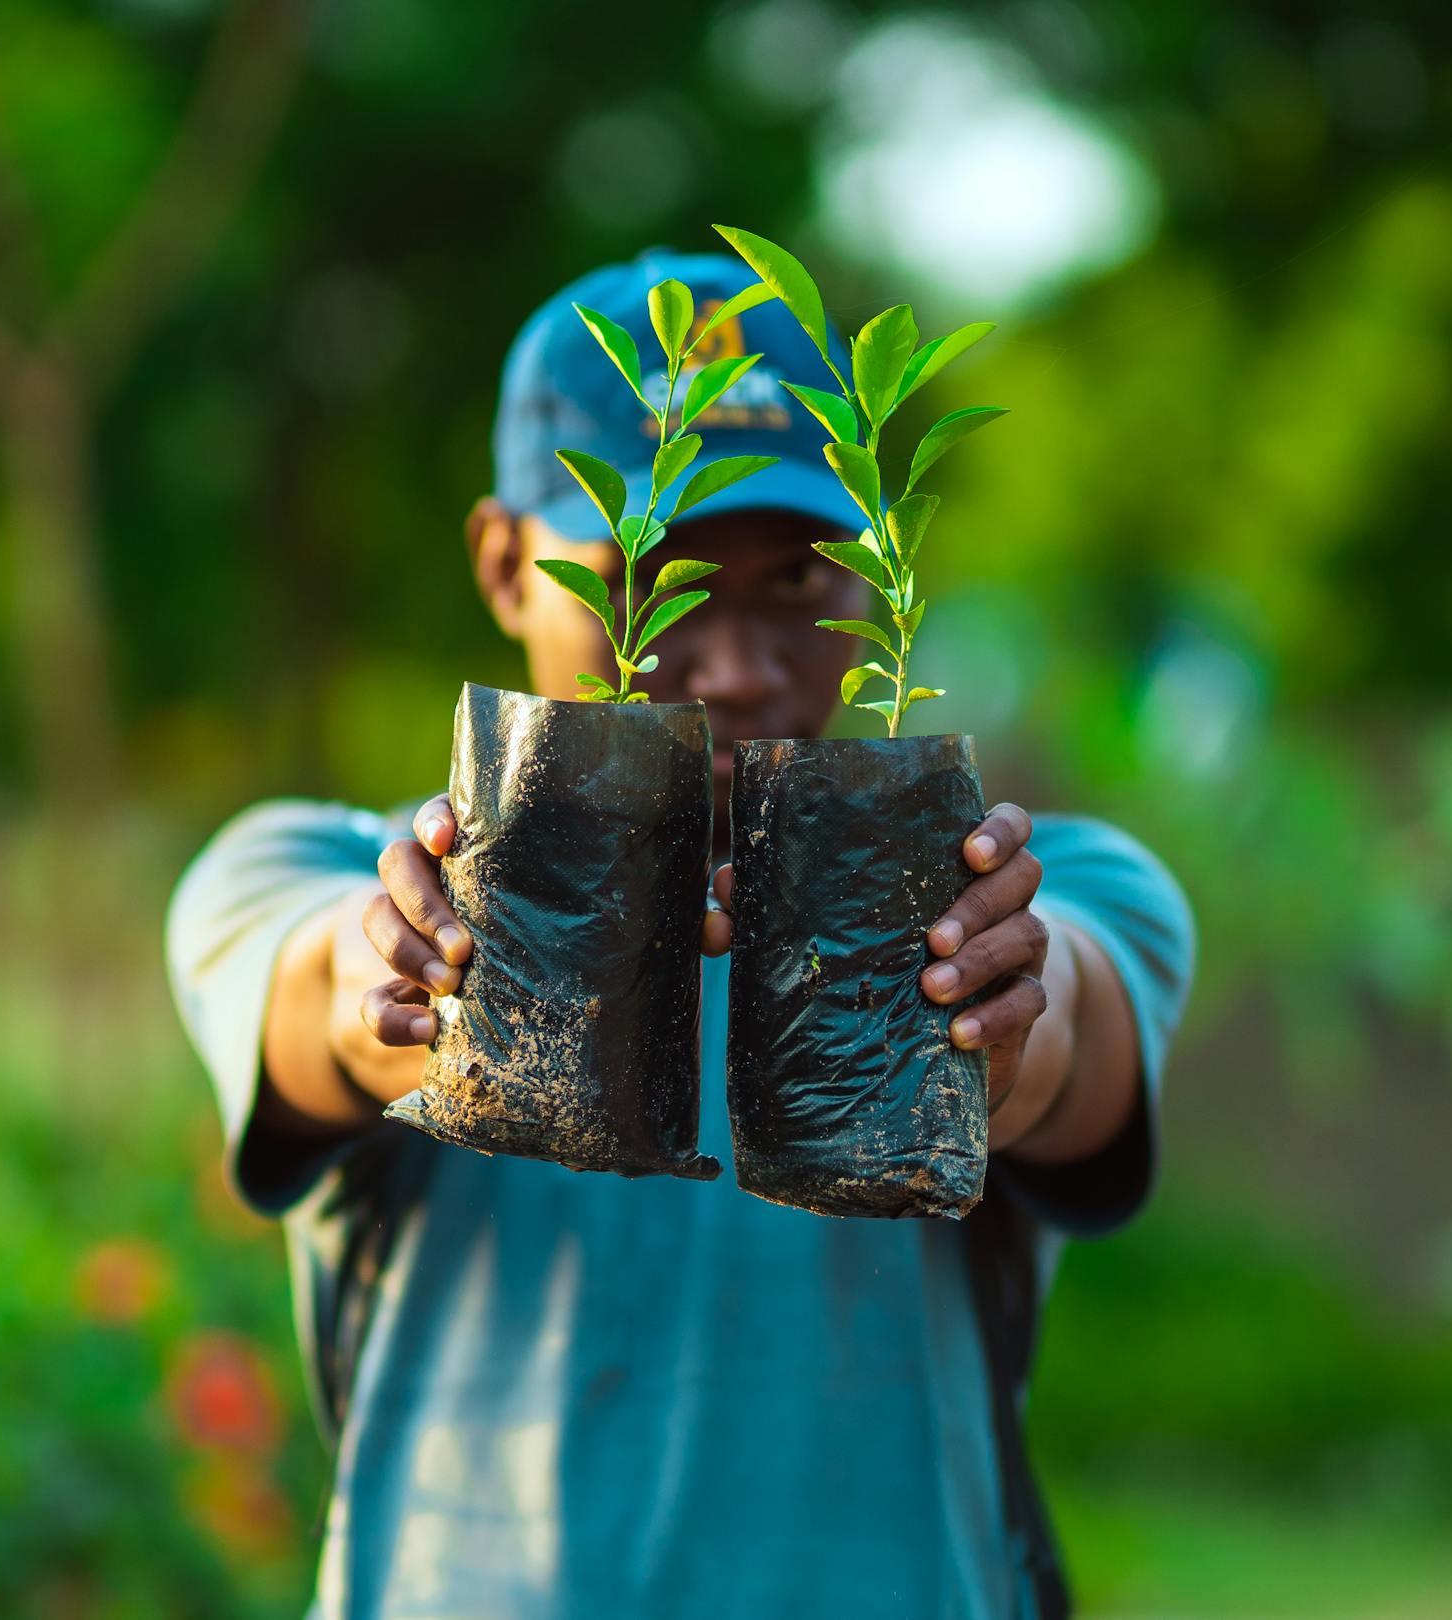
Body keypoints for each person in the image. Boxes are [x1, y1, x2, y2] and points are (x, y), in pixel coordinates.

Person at [167, 247, 1196, 1619]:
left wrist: (988, 1018)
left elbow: (1066, 1034)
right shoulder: (316, 873)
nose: (739, 666)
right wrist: (399, 984)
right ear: (503, 563)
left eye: (800, 583)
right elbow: (323, 998)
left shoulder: (1027, 893)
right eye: (659, 580)